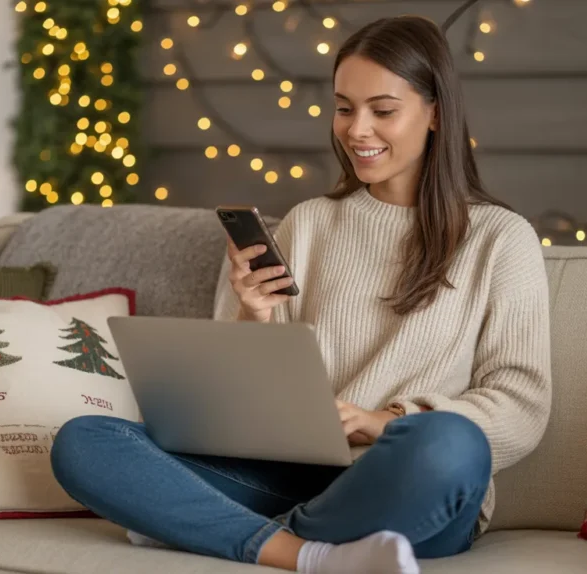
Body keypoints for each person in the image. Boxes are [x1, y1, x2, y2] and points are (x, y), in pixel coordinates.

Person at [50, 15, 551, 574]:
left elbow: (521, 407)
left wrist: (378, 421)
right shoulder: (308, 223)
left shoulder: (500, 239)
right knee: (83, 440)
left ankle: (219, 529)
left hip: (400, 482)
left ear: (435, 113)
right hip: (282, 475)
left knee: (453, 445)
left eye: (382, 110)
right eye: (344, 108)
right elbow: (227, 405)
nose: (357, 129)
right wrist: (252, 313)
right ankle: (304, 555)